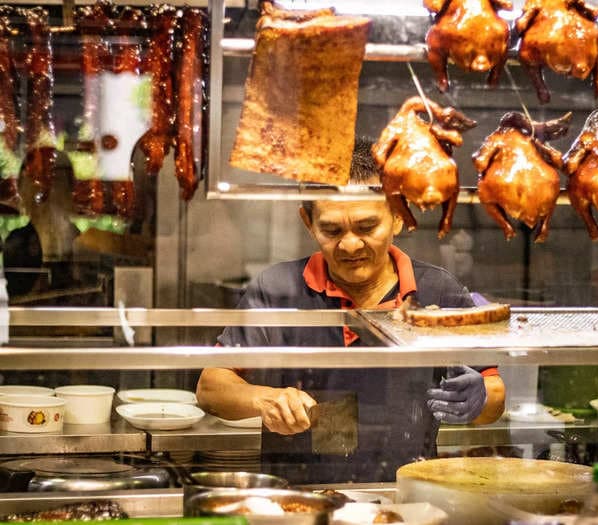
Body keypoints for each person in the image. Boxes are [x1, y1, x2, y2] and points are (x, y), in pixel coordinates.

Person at [197, 139, 506, 484]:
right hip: (299, 501)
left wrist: (478, 396)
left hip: (405, 497)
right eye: (331, 230)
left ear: (399, 216)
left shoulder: (438, 291)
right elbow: (211, 387)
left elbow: (494, 396)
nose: (349, 245)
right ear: (307, 221)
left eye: (366, 227)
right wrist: (265, 399)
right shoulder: (277, 289)